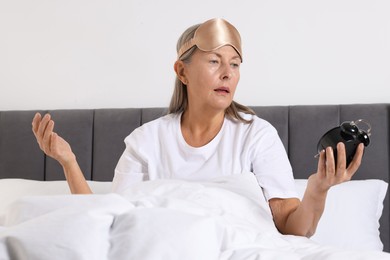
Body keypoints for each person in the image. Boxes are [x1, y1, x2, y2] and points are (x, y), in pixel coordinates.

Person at [32, 18, 364, 237]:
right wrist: (69, 162)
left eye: (234, 64)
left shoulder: (257, 135)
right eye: (214, 61)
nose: (227, 73)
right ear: (182, 71)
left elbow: (292, 229)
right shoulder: (147, 141)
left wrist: (317, 190)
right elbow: (108, 221)